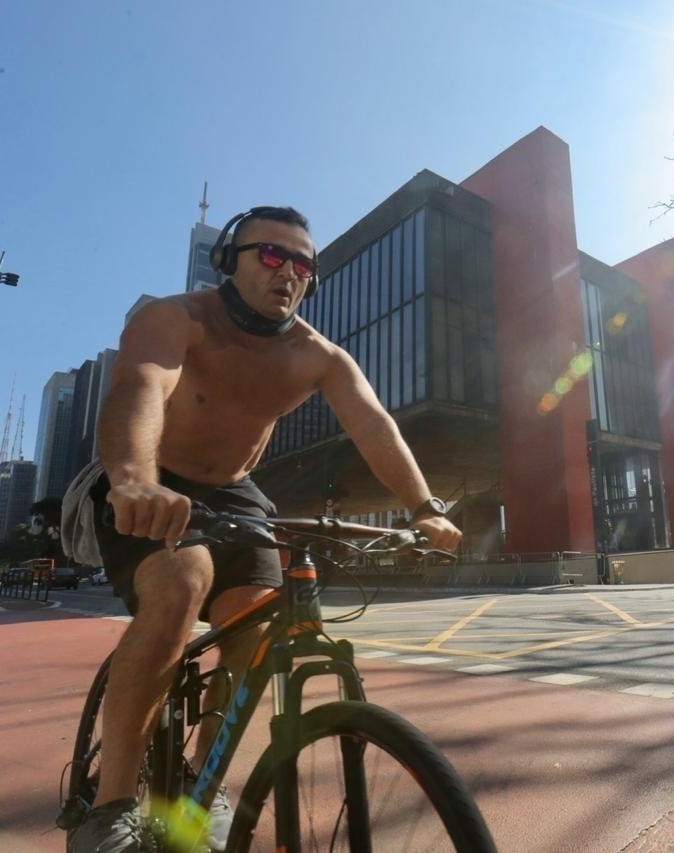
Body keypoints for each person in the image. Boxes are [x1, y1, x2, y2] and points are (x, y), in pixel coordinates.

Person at [69, 206, 460, 853]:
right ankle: (110, 810)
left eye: (302, 263)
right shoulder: (176, 318)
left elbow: (374, 425)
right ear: (230, 258)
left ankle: (204, 777)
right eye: (271, 255)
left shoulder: (316, 355)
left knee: (257, 619)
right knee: (182, 578)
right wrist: (136, 478)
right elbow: (140, 386)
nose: (289, 272)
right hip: (153, 475)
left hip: (236, 490)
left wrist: (423, 506)